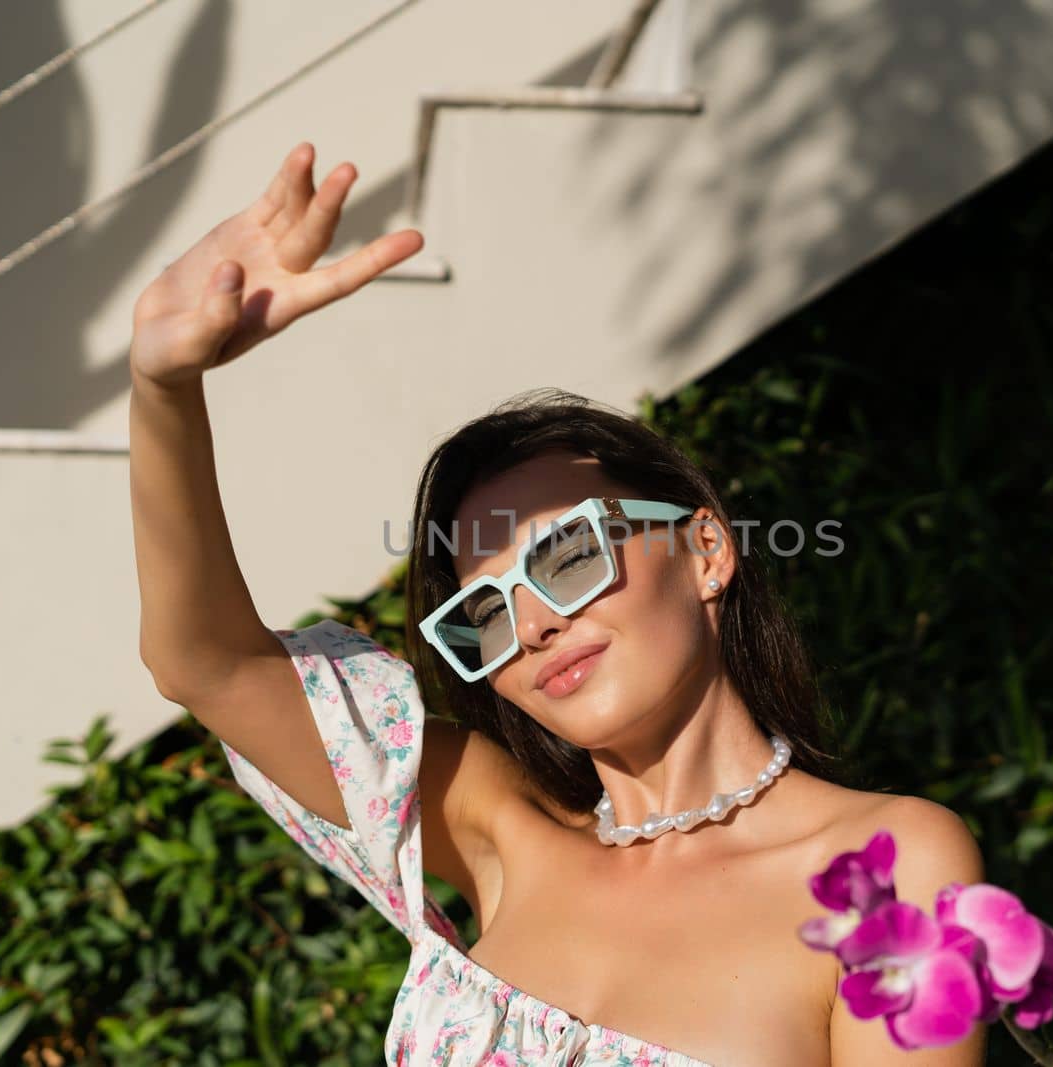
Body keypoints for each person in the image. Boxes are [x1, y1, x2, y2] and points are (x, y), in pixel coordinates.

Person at [131, 140, 988, 1066]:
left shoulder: (889, 863)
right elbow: (206, 664)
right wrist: (164, 388)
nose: (532, 623)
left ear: (706, 548)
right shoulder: (500, 830)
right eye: (486, 612)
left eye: (568, 555)